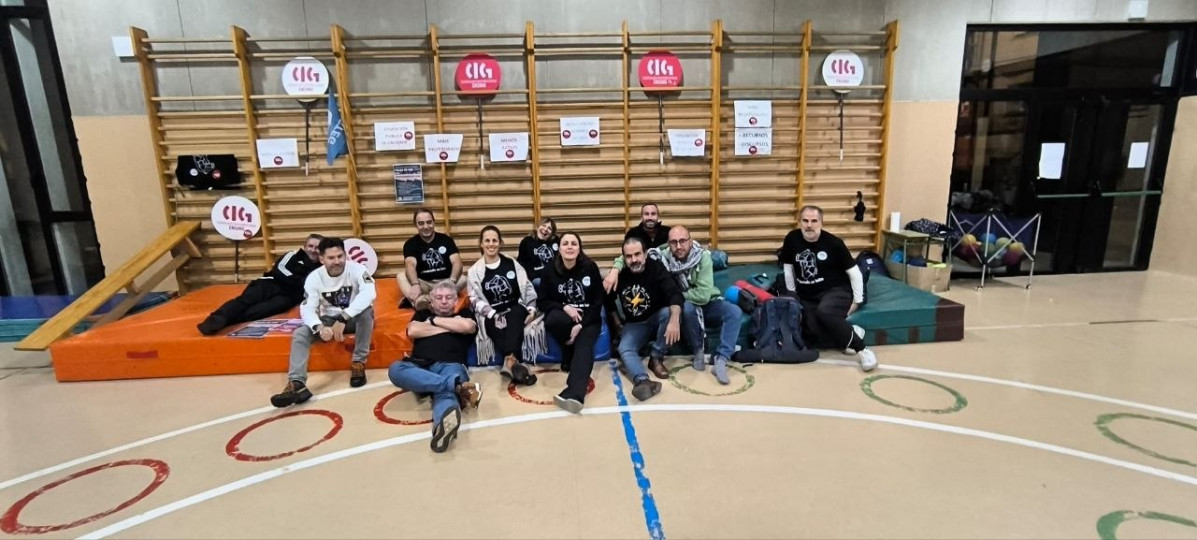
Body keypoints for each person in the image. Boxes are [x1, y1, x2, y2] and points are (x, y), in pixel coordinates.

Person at [606, 226, 741, 385]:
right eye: (674, 242)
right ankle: (643, 381)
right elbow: (607, 295)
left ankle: (720, 358)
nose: (678, 246)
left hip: (699, 304)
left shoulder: (697, 258)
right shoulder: (659, 257)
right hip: (639, 322)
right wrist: (615, 269)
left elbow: (692, 295)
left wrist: (674, 312)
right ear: (668, 244)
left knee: (730, 311)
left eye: (682, 241)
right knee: (625, 348)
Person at [270, 237, 377, 407]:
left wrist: (344, 317)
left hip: (353, 317)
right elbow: (307, 308)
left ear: (345, 255)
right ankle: (296, 383)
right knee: (300, 334)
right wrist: (319, 327)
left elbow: (368, 295)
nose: (337, 261)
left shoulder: (358, 269)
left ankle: (358, 363)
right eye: (331, 258)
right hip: (327, 318)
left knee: (366, 312)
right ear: (321, 259)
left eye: (340, 256)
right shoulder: (314, 278)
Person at [387, 280, 483, 453]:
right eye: (439, 297)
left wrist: (432, 321)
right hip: (419, 365)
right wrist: (452, 328)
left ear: (455, 301)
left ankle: (441, 428)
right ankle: (458, 386)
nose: (444, 301)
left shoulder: (465, 312)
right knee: (395, 369)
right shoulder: (421, 314)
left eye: (448, 297)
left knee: (445, 394)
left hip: (451, 365)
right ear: (431, 301)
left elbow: (467, 326)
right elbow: (413, 331)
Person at [778, 206, 878, 371]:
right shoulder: (792, 239)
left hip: (836, 290)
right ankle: (852, 331)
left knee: (824, 312)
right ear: (799, 222)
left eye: (814, 221)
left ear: (821, 223)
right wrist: (792, 294)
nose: (809, 225)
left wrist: (857, 300)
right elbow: (788, 268)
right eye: (805, 221)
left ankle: (863, 349)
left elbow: (855, 273)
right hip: (808, 294)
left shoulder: (834, 243)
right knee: (811, 331)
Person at [197, 234, 323, 335]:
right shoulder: (293, 255)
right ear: (305, 246)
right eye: (310, 246)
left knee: (265, 309)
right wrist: (301, 282)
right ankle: (214, 320)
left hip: (289, 295)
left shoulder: (321, 267)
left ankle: (229, 320)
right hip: (270, 282)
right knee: (247, 300)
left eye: (316, 247)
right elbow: (279, 269)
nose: (313, 250)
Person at [607, 237, 684, 401]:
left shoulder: (656, 268)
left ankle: (656, 357)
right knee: (624, 348)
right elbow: (607, 300)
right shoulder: (618, 275)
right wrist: (617, 323)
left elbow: (674, 293)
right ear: (623, 258)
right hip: (635, 324)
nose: (634, 260)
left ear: (646, 254)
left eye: (637, 254)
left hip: (657, 318)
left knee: (669, 312)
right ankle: (642, 380)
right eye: (629, 256)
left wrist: (675, 319)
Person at [537, 232, 605, 414]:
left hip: (588, 319)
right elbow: (542, 302)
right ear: (559, 248)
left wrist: (581, 325)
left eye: (574, 243)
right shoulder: (549, 270)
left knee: (584, 347)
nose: (569, 247)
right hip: (564, 317)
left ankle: (574, 394)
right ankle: (567, 348)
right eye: (565, 243)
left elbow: (598, 302)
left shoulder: (590, 268)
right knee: (552, 319)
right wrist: (565, 307)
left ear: (579, 248)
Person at [467, 225, 541, 386]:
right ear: (481, 244)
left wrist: (531, 308)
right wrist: (493, 314)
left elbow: (527, 286)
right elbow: (473, 299)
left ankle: (509, 361)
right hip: (493, 313)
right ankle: (514, 363)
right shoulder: (474, 271)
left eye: (494, 240)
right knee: (493, 325)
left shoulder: (511, 263)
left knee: (515, 315)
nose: (491, 244)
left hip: (515, 308)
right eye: (487, 240)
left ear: (500, 243)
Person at [399, 208, 464, 310]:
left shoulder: (446, 240)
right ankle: (419, 302)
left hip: (445, 282)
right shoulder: (410, 244)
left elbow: (457, 262)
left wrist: (452, 281)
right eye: (421, 223)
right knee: (401, 276)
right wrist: (415, 284)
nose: (426, 226)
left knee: (463, 279)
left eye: (429, 222)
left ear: (434, 222)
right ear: (416, 225)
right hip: (423, 284)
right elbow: (410, 265)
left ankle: (426, 300)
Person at [517, 217, 559, 284]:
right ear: (537, 227)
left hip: (552, 277)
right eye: (543, 225)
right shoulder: (527, 242)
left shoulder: (556, 241)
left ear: (552, 233)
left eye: (549, 228)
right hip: (535, 278)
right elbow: (521, 263)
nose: (545, 229)